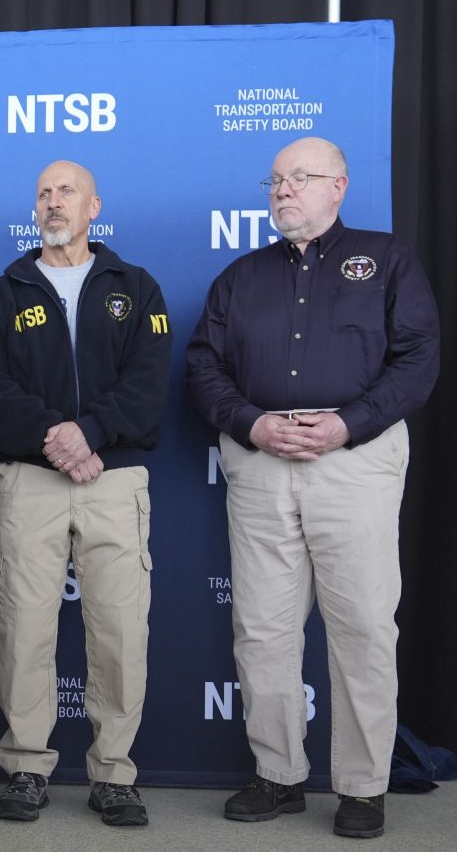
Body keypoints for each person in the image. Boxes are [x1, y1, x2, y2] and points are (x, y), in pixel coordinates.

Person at [186, 137, 439, 840]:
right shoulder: (239, 277)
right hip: (262, 463)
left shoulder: (387, 260)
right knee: (263, 626)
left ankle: (362, 785)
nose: (284, 190)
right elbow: (203, 367)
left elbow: (418, 358)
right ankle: (278, 774)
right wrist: (252, 423)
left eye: (302, 177)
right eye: (275, 180)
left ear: (340, 186)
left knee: (361, 625)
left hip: (353, 460)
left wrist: (346, 424)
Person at [0, 161, 171, 827]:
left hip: (114, 480)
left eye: (66, 193)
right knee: (24, 626)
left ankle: (114, 773)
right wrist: (55, 437)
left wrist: (89, 434)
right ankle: (26, 765)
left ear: (94, 207)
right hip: (32, 480)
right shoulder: (3, 294)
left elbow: (148, 388)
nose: (53, 203)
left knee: (118, 627)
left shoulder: (136, 289)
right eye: (43, 194)